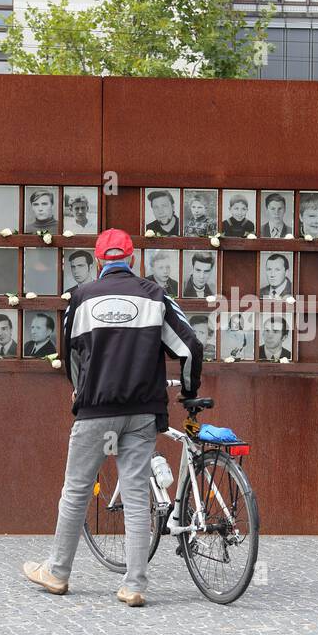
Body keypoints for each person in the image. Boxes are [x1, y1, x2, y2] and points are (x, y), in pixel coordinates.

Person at [22, 228, 202, 607]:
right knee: (137, 496)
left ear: (99, 260)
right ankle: (134, 584)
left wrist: (79, 388)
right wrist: (187, 390)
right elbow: (191, 346)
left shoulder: (81, 297)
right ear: (133, 259)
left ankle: (57, 573)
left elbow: (70, 354)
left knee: (76, 491)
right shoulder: (155, 295)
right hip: (141, 412)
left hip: (96, 411)